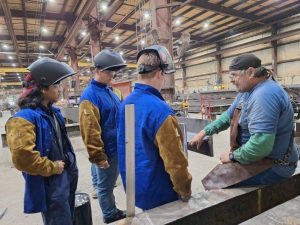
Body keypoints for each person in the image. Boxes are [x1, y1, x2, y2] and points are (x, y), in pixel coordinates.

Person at [190, 54, 298, 188]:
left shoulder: (264, 95)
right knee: (216, 177)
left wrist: (232, 156)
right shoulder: (247, 91)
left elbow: (261, 145)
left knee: (215, 183)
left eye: (234, 75)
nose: (231, 80)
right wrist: (204, 132)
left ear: (251, 72)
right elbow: (227, 116)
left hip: (274, 165)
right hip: (257, 159)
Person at [117, 45, 192, 210]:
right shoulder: (160, 111)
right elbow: (175, 161)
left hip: (136, 188)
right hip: (161, 194)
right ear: (160, 73)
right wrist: (184, 190)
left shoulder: (125, 104)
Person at [6, 57, 78, 225]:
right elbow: (23, 158)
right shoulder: (22, 119)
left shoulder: (53, 112)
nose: (60, 89)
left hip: (65, 175)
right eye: (56, 86)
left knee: (69, 217)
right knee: (59, 220)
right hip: (50, 182)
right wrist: (52, 167)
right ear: (43, 89)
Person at [79, 49, 127, 223]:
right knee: (105, 187)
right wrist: (98, 156)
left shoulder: (110, 91)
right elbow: (90, 130)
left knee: (104, 184)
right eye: (108, 71)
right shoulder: (90, 96)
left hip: (115, 147)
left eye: (113, 71)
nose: (111, 75)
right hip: (107, 151)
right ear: (97, 70)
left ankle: (111, 209)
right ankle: (109, 215)